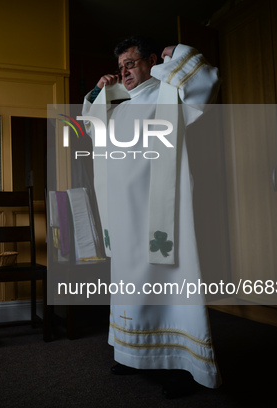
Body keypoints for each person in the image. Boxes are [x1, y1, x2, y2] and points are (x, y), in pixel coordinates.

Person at [82, 35, 221, 398]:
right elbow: (90, 127)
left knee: (169, 287)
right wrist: (100, 91)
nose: (124, 72)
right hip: (125, 218)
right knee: (131, 287)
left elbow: (204, 77)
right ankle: (134, 354)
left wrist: (172, 55)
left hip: (162, 218)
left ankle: (182, 366)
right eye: (119, 67)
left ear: (150, 62)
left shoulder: (171, 97)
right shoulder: (120, 107)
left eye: (131, 63)